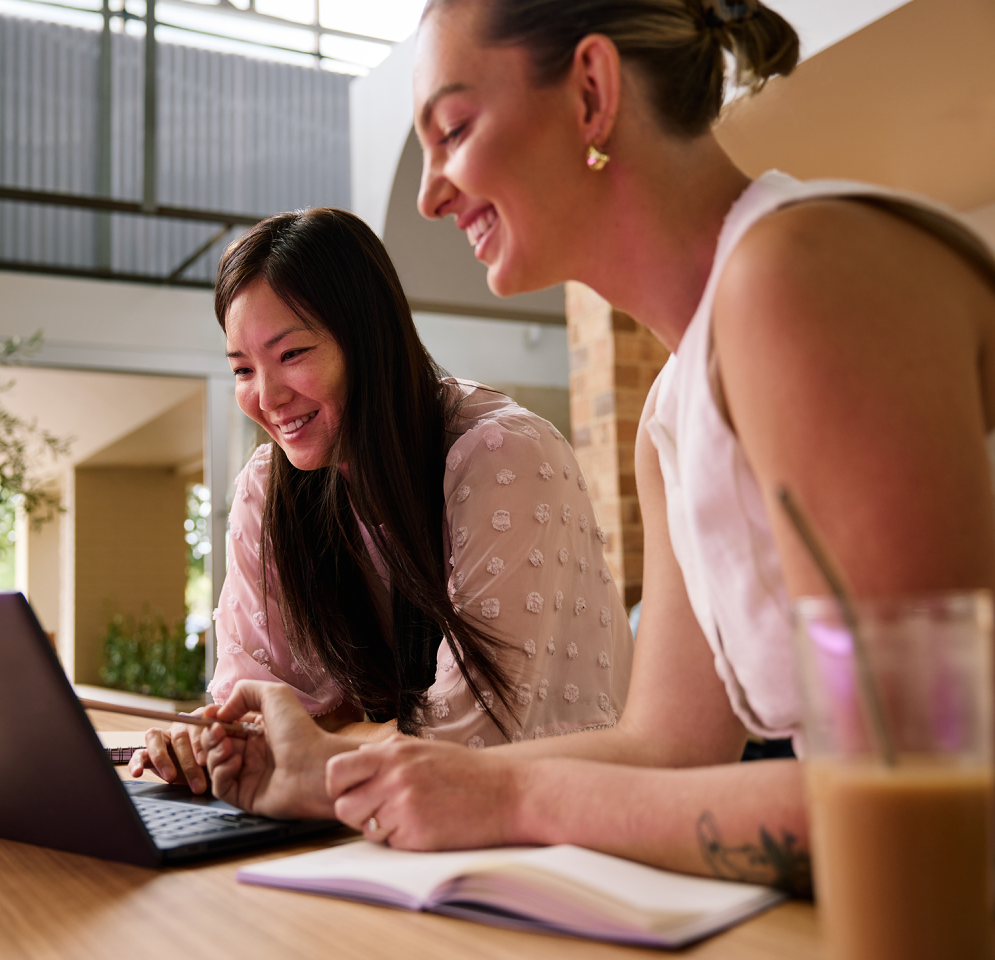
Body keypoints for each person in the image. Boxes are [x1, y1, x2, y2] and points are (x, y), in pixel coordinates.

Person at [201, 0, 995, 892]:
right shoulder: (670, 418)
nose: (427, 195)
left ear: (591, 93)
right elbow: (669, 749)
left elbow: (915, 800)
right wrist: (343, 779)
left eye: (454, 129)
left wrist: (515, 801)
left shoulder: (796, 277)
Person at [131, 208, 633, 808]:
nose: (266, 398)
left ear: (368, 339)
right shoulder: (269, 490)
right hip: (379, 827)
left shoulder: (503, 457)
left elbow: (474, 744)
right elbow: (255, 719)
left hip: (564, 828)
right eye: (242, 369)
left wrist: (319, 740)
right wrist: (207, 747)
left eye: (291, 354)